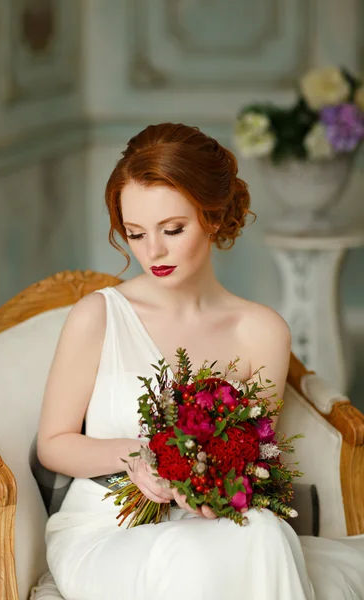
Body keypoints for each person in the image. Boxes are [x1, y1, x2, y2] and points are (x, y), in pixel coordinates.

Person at [36, 123, 360, 600]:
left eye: (172, 229)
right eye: (136, 233)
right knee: (200, 557)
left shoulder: (260, 331)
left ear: (212, 216)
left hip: (211, 519)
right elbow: (53, 444)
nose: (153, 252)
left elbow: (252, 455)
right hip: (106, 528)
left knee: (263, 534)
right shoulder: (99, 317)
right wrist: (137, 458)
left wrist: (206, 481)